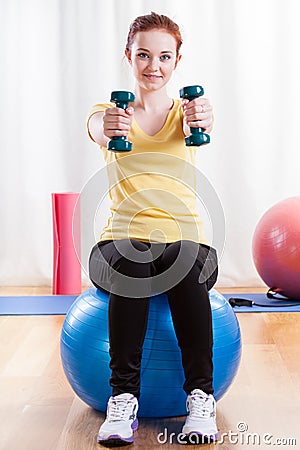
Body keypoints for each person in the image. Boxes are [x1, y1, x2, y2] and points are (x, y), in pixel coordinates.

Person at [87, 11, 218, 447]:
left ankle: (201, 399)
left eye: (164, 56)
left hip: (187, 240)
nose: (153, 66)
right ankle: (122, 400)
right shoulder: (112, 114)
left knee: (182, 265)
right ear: (129, 56)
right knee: (132, 263)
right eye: (143, 55)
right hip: (119, 241)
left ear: (178, 60)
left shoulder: (189, 113)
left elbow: (206, 119)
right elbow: (97, 129)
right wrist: (105, 127)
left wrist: (205, 115)